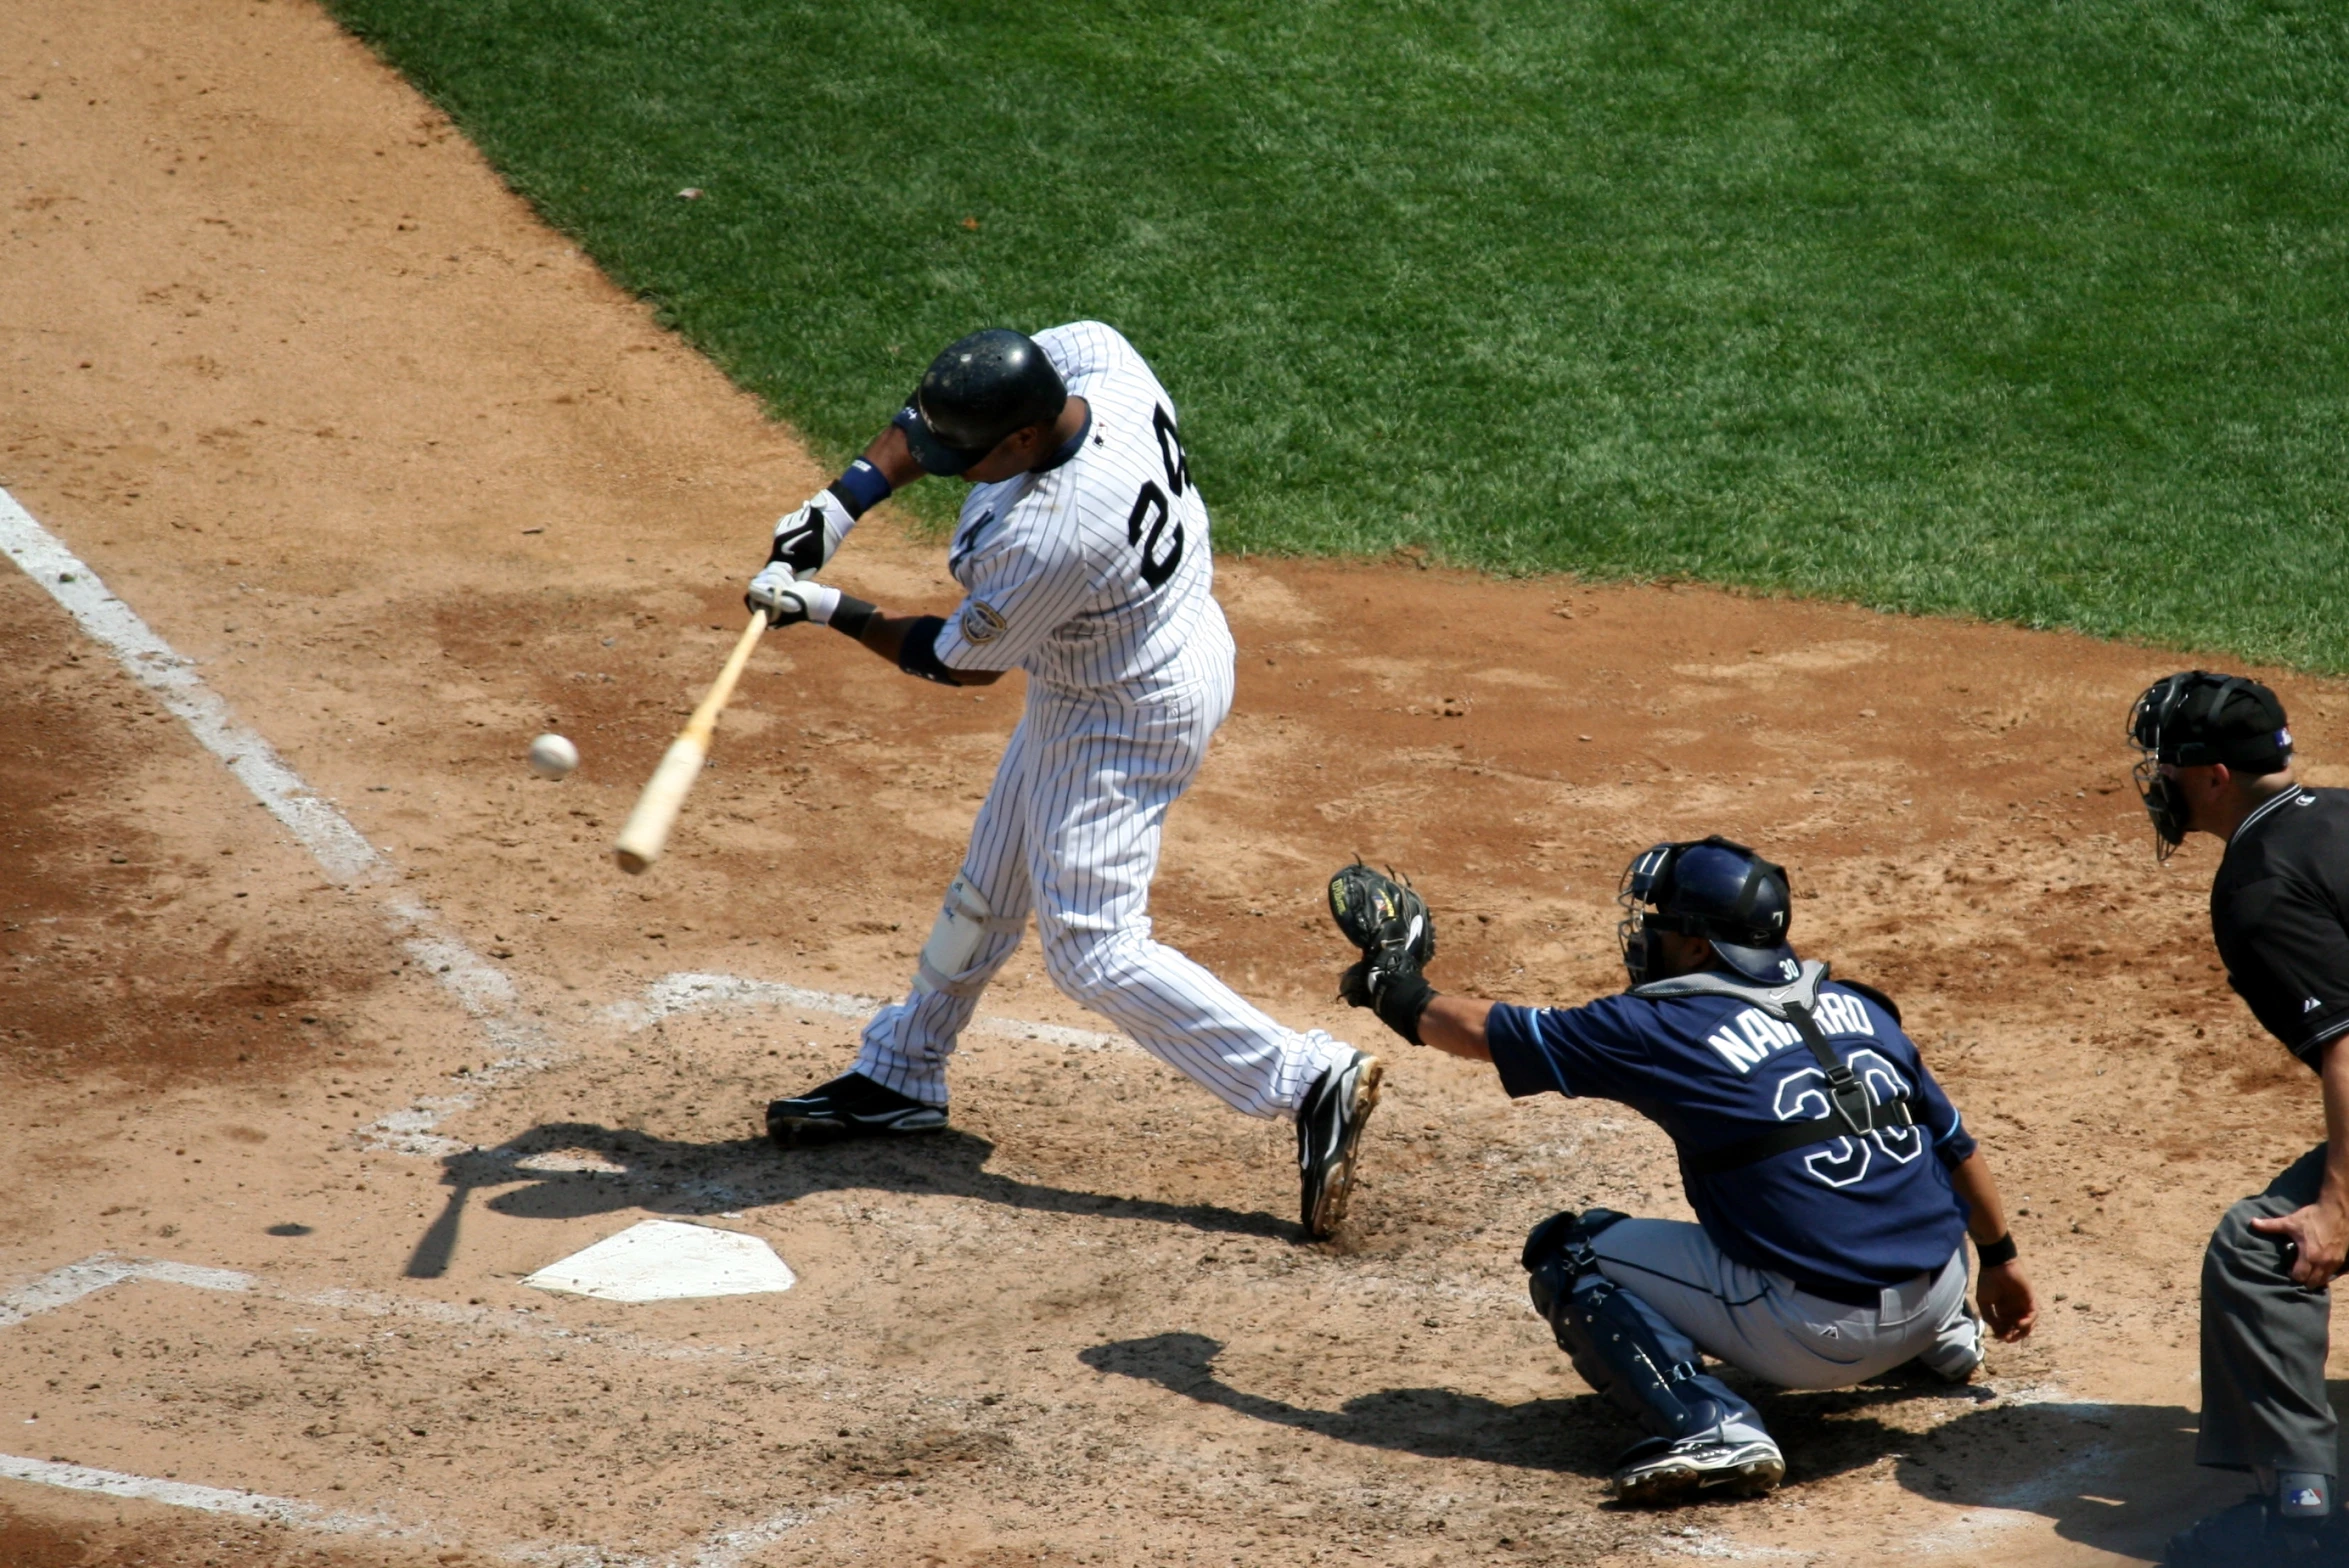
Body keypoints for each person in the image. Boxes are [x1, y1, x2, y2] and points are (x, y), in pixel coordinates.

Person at [740, 322, 1382, 1239]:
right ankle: (902, 1071)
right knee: (993, 874)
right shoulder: (1095, 360)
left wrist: (827, 606)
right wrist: (837, 505)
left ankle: (1307, 1079)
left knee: (1093, 949)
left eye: (965, 455)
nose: (943, 463)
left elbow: (957, 664)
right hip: (1132, 651)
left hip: (1126, 709)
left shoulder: (1053, 534)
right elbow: (935, 417)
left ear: (1026, 440)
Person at [1324, 842, 2036, 1503]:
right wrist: (1999, 1262)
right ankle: (1944, 1344)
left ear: (1698, 944)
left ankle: (1711, 1425)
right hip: (1945, 1287)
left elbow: (1480, 1032)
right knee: (1880, 1152)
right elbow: (1957, 1149)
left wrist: (1392, 984)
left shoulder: (1662, 1028)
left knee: (1572, 1252)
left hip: (1819, 1340)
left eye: (1658, 925)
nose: (1644, 937)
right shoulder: (1862, 1008)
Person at [2131, 673, 2349, 1566]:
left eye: (2167, 768)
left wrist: (2336, 1206)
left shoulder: (2256, 886)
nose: (2155, 783)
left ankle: (2303, 1521)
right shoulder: (2338, 812)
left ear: (2213, 778)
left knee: (2258, 1252)